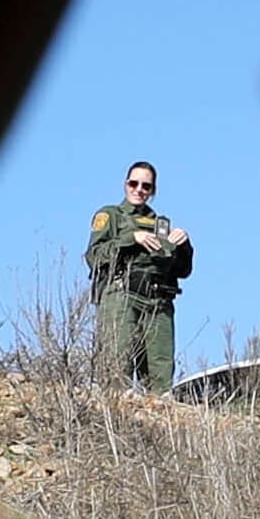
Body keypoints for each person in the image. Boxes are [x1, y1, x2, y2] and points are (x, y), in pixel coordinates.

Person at [85, 159, 191, 391]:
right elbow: (94, 256)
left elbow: (182, 271)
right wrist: (131, 239)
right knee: (116, 365)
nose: (139, 190)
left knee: (160, 375)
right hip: (122, 295)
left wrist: (183, 246)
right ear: (126, 184)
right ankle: (114, 420)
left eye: (146, 186)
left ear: (153, 191)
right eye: (134, 183)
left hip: (158, 301)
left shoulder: (161, 225)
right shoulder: (111, 216)